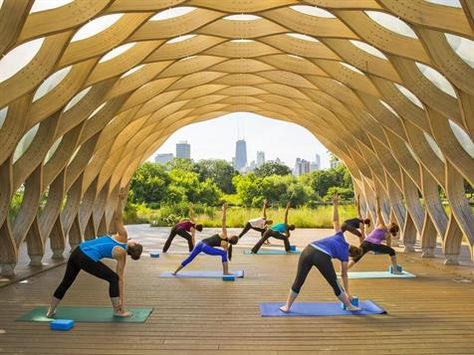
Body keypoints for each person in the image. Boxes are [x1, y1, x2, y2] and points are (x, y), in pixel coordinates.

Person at [46, 189, 143, 318]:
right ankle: (117, 310)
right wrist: (122, 302)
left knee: (66, 282)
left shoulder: (123, 237)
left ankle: (50, 311)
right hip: (86, 258)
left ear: (132, 244)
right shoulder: (122, 257)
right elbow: (120, 281)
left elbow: (117, 217)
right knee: (113, 278)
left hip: (77, 251)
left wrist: (120, 200)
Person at [279, 195, 362, 313]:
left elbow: (335, 220)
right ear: (350, 255)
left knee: (299, 280)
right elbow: (343, 275)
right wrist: (348, 293)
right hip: (321, 256)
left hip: (308, 249)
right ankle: (350, 306)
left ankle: (287, 306)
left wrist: (335, 204)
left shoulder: (340, 236)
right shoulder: (344, 255)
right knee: (334, 283)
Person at [172, 203, 238, 275]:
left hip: (200, 243)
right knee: (223, 254)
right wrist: (224, 210)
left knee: (190, 258)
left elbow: (223, 221)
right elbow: (225, 258)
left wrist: (224, 210)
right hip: (206, 248)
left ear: (231, 237)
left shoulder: (224, 235)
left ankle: (175, 272)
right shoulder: (226, 245)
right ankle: (225, 272)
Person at [348, 196, 401, 273]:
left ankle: (345, 270)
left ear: (390, 226)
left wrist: (377, 200)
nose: (388, 224)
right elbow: (388, 248)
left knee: (356, 258)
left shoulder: (383, 226)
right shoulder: (388, 236)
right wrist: (379, 251)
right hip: (375, 246)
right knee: (392, 251)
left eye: (390, 224)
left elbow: (378, 212)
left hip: (365, 243)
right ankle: (395, 269)